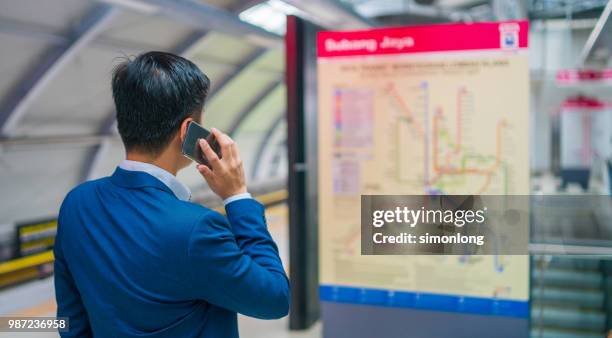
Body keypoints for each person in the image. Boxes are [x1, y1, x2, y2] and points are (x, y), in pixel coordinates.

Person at [54, 51, 290, 338]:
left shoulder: (77, 204)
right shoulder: (196, 228)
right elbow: (275, 299)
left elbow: (70, 319)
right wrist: (238, 196)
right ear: (188, 130)